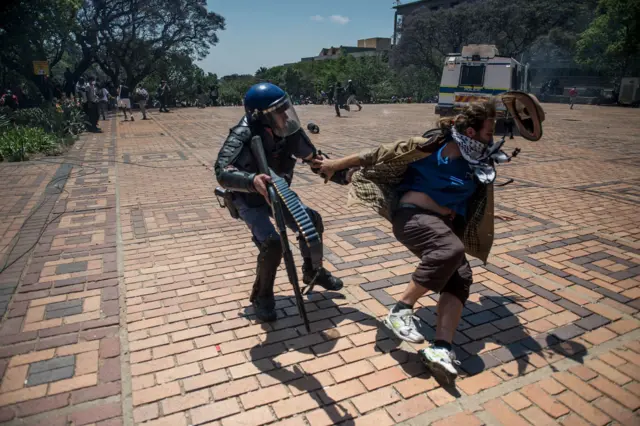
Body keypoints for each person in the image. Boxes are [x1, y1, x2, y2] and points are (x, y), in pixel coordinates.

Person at [311, 99, 509, 383]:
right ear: (471, 133)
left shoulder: (477, 165)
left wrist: (487, 216)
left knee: (461, 274)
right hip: (412, 218)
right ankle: (400, 310)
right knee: (449, 249)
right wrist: (334, 164)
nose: (493, 139)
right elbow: (377, 154)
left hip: (440, 225)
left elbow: (474, 202)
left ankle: (440, 349)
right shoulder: (429, 146)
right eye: (489, 132)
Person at [214, 83, 344, 321]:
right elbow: (222, 172)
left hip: (279, 191)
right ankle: (263, 296)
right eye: (278, 111)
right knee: (272, 243)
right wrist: (252, 180)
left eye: (285, 108)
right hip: (249, 198)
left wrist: (338, 171)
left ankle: (313, 271)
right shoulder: (242, 134)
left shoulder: (288, 130)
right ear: (259, 117)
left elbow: (312, 158)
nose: (285, 115)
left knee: (311, 221)